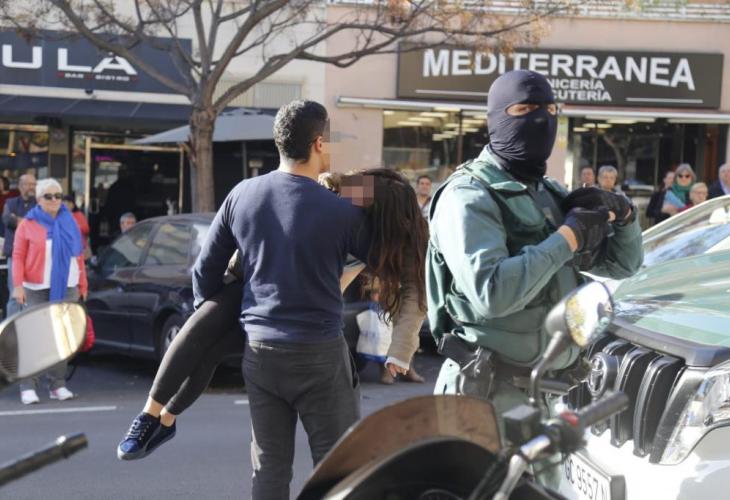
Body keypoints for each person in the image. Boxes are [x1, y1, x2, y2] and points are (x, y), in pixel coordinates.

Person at [116, 166, 428, 464]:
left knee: (213, 350)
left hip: (295, 310)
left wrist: (400, 350)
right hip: (253, 279)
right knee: (201, 326)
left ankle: (166, 420)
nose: (355, 207)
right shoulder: (356, 194)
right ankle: (150, 416)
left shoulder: (377, 239)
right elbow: (327, 182)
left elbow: (414, 290)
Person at [427, 70, 643, 416]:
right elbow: (492, 293)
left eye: (551, 110)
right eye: (525, 109)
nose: (542, 120)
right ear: (497, 118)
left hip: (546, 395)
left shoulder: (547, 192)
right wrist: (568, 237)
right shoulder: (467, 195)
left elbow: (622, 265)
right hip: (485, 397)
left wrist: (625, 215)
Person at [12, 178, 87, 405]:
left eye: (58, 196)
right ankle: (28, 386)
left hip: (67, 286)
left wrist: (83, 284)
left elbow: (78, 255)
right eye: (48, 196)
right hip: (36, 288)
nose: (54, 200)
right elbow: (18, 256)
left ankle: (57, 385)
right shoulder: (28, 224)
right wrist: (18, 285)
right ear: (38, 199)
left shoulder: (70, 221)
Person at [3, 174, 37, 318]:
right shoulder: (10, 202)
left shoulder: (39, 204)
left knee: (32, 295)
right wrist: (29, 222)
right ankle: (12, 326)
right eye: (29, 184)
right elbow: (7, 220)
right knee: (15, 293)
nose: (32, 187)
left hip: (34, 256)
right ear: (20, 186)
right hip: (15, 255)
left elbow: (40, 224)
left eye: (34, 184)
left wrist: (19, 220)